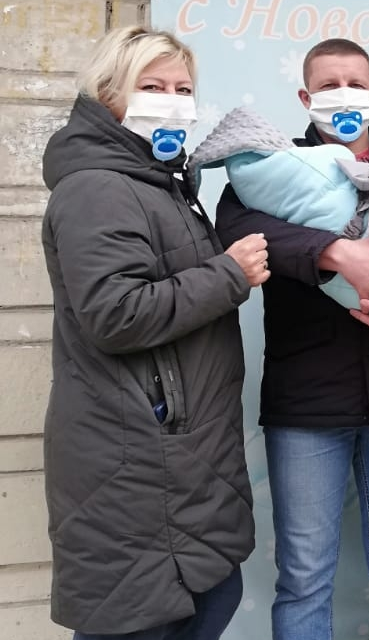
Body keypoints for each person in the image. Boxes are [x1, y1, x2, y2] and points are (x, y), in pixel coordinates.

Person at [214, 38, 369, 640]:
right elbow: (236, 232)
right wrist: (332, 251)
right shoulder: (267, 172)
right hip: (307, 406)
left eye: (354, 83)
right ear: (304, 97)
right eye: (327, 84)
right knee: (304, 577)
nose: (342, 94)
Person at [40, 25, 266, 640]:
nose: (172, 100)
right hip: (136, 463)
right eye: (152, 86)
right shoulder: (98, 187)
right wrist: (229, 274)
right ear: (110, 94)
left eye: (183, 88)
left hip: (177, 459)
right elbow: (116, 313)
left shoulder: (157, 182)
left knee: (214, 596)